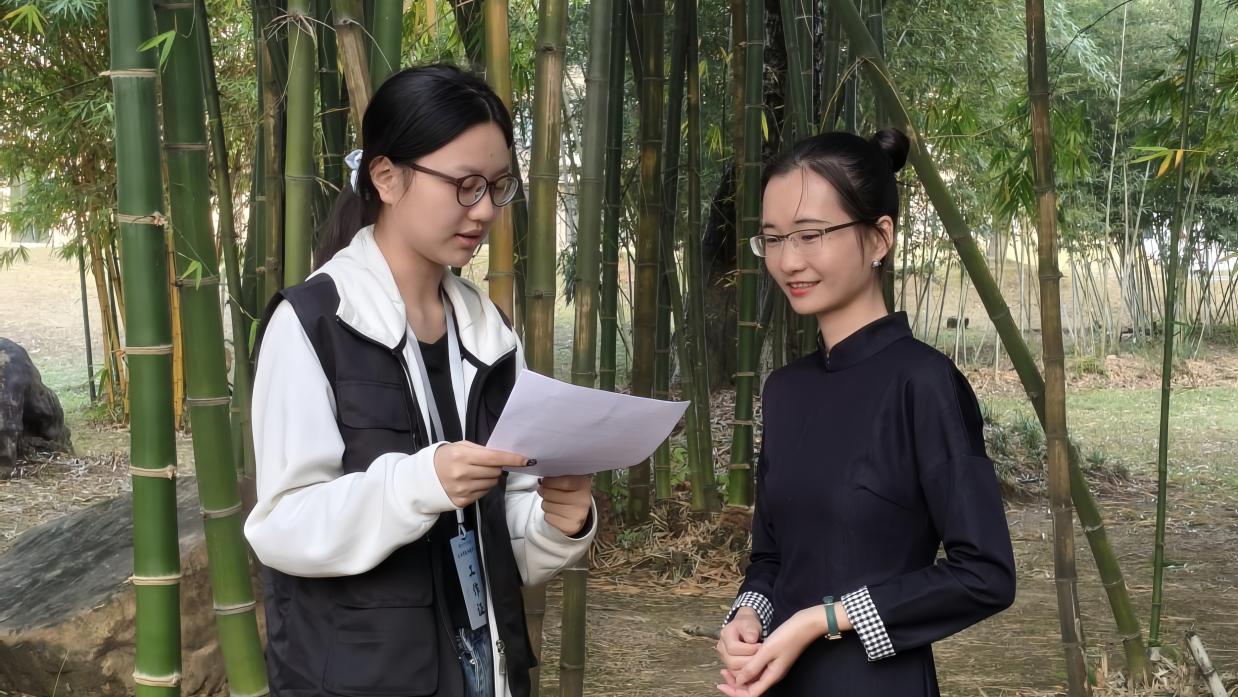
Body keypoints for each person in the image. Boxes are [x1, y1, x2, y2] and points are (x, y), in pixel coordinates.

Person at [245, 64, 596, 697]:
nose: (484, 210)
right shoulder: (313, 324)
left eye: (498, 186)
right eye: (464, 185)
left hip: (482, 673)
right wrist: (418, 484)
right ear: (386, 177)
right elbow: (283, 525)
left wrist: (556, 524)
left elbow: (500, 536)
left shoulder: (491, 335)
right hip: (354, 679)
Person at [716, 129, 1016, 697]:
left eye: (810, 235)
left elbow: (984, 574)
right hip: (775, 681)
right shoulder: (785, 391)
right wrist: (749, 613)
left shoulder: (925, 384)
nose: (788, 260)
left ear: (879, 238)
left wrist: (824, 619)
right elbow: (773, 556)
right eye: (772, 239)